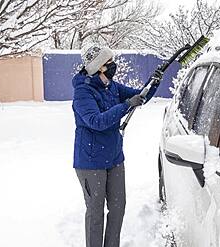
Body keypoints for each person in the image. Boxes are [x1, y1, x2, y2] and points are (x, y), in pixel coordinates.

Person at [72, 44, 162, 247]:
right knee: (95, 212)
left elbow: (140, 96)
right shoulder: (83, 93)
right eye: (109, 62)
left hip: (114, 158)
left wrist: (154, 82)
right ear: (98, 67)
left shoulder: (111, 86)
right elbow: (97, 121)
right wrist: (126, 105)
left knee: (118, 206)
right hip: (90, 161)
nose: (113, 65)